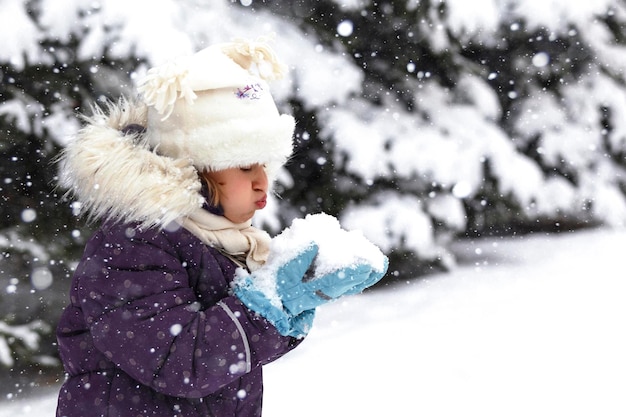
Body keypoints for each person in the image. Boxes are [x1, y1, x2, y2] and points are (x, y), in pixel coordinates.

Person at [55, 39, 387, 417]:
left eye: (266, 164)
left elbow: (235, 360)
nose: (264, 181)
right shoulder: (133, 246)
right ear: (192, 169)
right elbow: (179, 362)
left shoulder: (218, 241)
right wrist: (269, 304)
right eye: (245, 166)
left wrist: (294, 299)